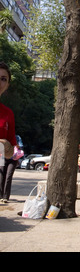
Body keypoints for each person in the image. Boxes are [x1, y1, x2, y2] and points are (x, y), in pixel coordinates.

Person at [0, 62, 18, 203]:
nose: (0, 82)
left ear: (7, 85)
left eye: (3, 79)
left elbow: (11, 152)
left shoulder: (8, 113)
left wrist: (6, 146)